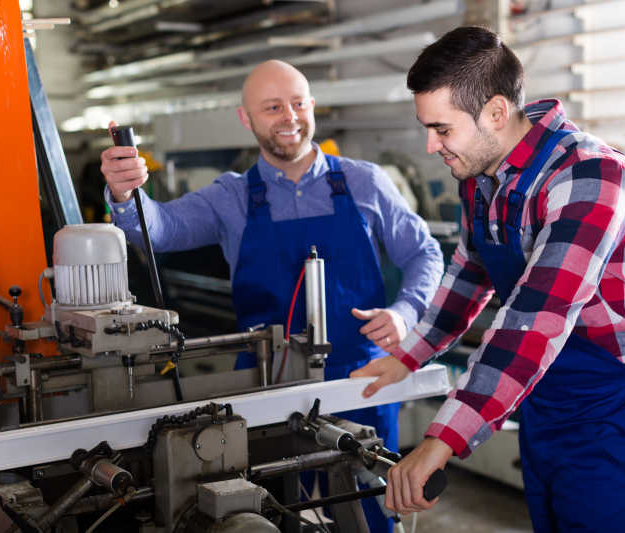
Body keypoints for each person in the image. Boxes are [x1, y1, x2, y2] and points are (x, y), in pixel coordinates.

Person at [352, 26, 625, 533]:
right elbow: (469, 270)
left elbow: (534, 320)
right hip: (543, 403)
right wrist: (406, 357)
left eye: (441, 129)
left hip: (615, 410)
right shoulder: (481, 176)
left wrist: (441, 439)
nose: (429, 145)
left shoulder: (588, 175)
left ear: (497, 113)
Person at [100, 59, 444, 532]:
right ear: (247, 119)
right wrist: (124, 195)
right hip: (265, 385)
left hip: (360, 379)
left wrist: (406, 313)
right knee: (269, 512)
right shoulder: (231, 196)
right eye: (272, 106)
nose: (289, 116)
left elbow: (425, 253)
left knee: (369, 509)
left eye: (298, 103)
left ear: (313, 107)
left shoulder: (364, 181)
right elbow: (158, 229)